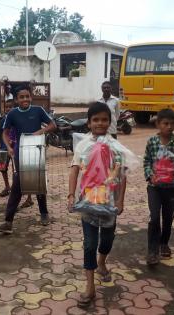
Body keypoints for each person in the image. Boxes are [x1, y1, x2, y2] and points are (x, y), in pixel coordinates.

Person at [67, 102, 127, 308]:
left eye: (104, 119)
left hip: (109, 203)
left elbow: (122, 174)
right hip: (87, 203)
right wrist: (70, 195)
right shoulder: (83, 145)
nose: (100, 123)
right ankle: (90, 286)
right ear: (89, 123)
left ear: (110, 122)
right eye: (96, 120)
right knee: (90, 244)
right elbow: (75, 170)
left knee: (107, 241)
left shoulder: (115, 146)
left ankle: (102, 262)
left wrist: (120, 199)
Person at [0, 85, 56, 234]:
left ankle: (44, 213)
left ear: (31, 97)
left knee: (38, 181)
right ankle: (8, 222)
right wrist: (8, 147)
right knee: (18, 185)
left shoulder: (38, 110)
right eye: (22, 97)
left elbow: (53, 125)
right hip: (20, 153)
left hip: (37, 150)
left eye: (27, 96)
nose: (25, 99)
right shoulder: (13, 114)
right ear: (16, 100)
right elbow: (5, 133)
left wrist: (40, 132)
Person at [143, 108, 174, 265]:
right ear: (158, 124)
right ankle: (152, 251)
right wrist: (150, 175)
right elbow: (147, 161)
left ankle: (164, 243)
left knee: (168, 218)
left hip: (171, 188)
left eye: (172, 123)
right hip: (154, 187)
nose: (169, 126)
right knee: (154, 218)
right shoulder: (152, 142)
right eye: (165, 123)